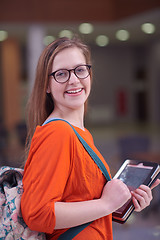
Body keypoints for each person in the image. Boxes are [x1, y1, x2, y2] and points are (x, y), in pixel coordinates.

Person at [21, 36, 160, 240]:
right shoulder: (58, 133)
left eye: (80, 69)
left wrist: (123, 201)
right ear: (47, 85)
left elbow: (78, 203)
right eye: (61, 74)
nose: (74, 80)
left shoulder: (79, 132)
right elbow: (38, 213)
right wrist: (106, 204)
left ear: (89, 73)